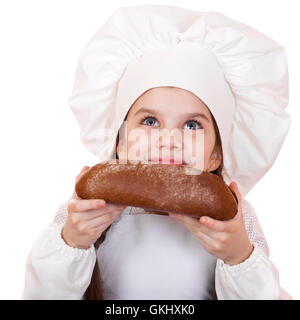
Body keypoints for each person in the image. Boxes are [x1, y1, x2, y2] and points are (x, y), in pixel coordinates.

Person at [22, 5, 292, 300]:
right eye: (149, 121)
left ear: (217, 153)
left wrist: (238, 255)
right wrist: (73, 241)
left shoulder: (236, 220)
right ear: (120, 142)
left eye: (192, 124)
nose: (169, 139)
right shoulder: (87, 211)